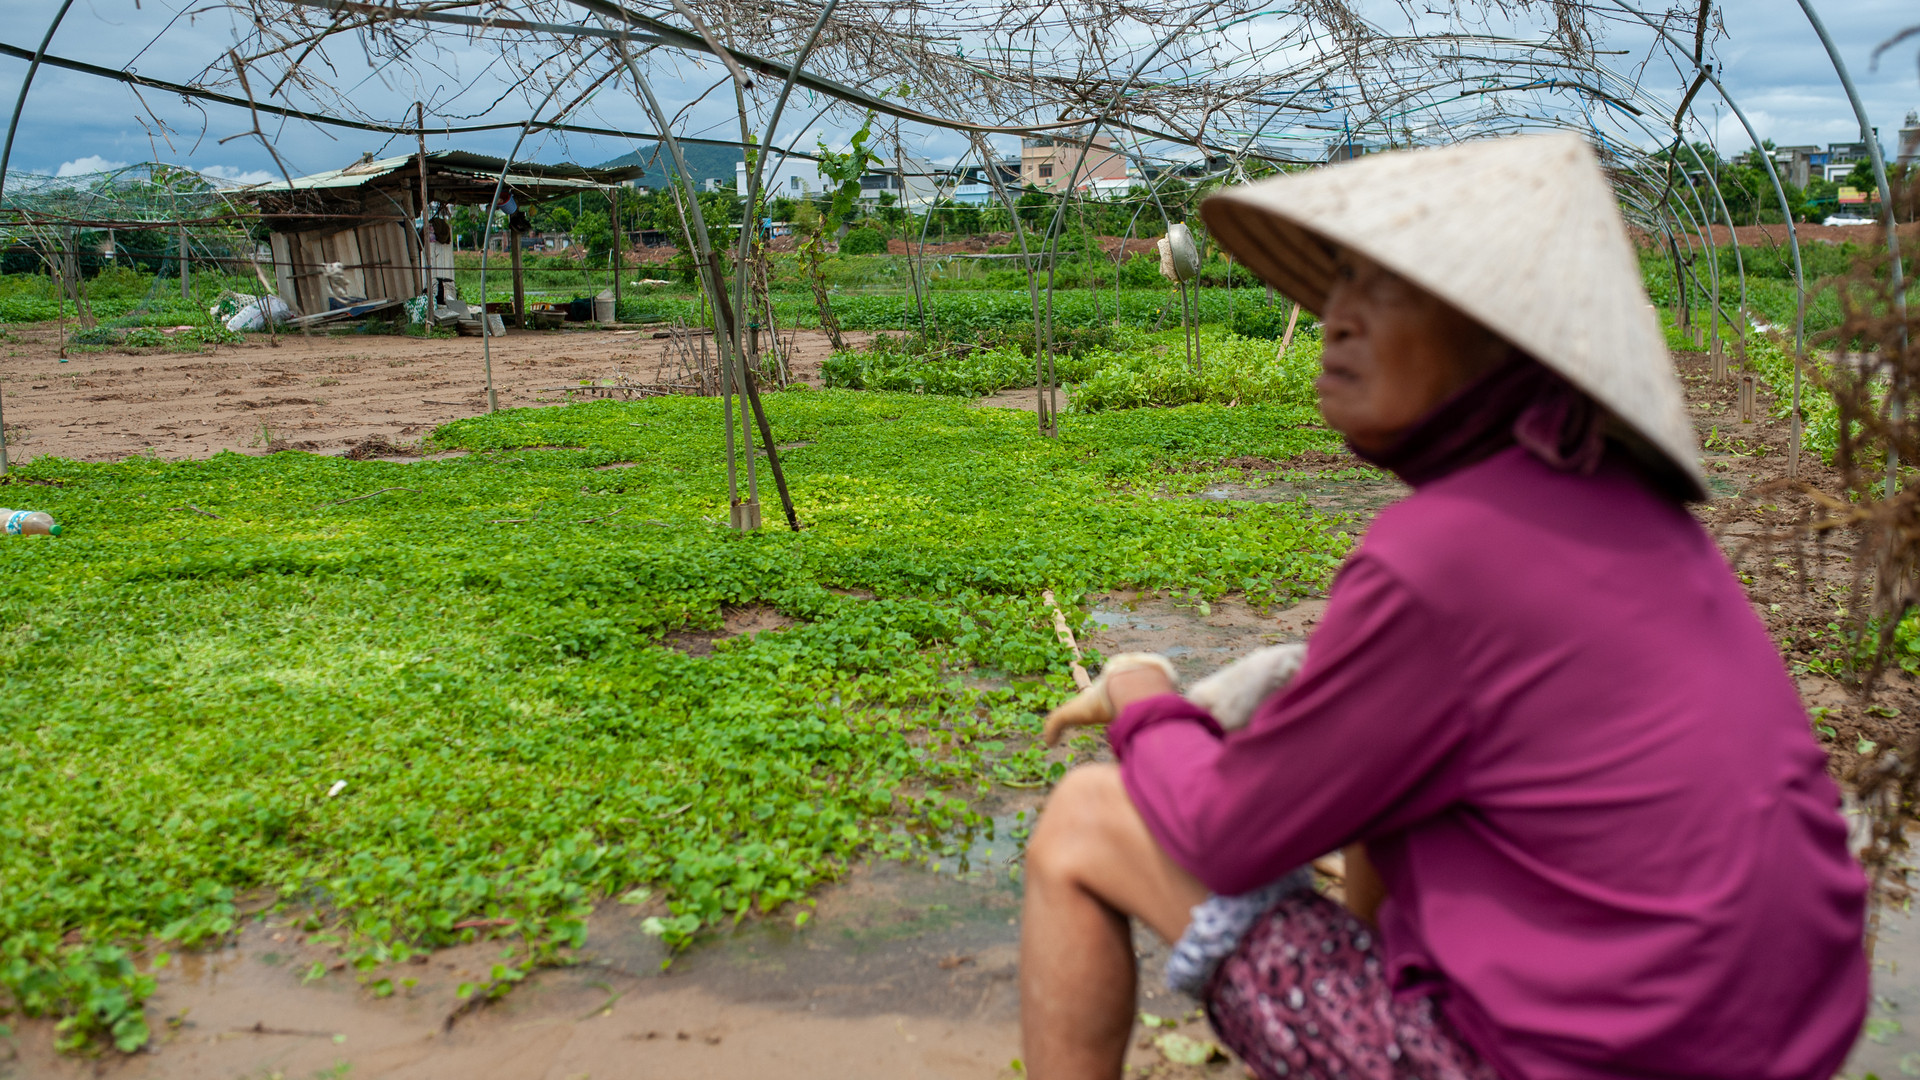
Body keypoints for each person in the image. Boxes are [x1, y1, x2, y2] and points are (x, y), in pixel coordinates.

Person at [1017, 133, 1867, 1080]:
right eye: (1339, 282)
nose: (1335, 318)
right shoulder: (1644, 523)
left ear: (1501, 337)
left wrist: (1142, 692)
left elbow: (1223, 832)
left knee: (1088, 816)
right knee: (1397, 795)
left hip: (1575, 1063)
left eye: (1385, 290)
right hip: (1778, 1048)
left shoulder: (1443, 553)